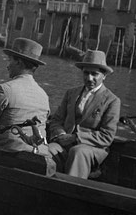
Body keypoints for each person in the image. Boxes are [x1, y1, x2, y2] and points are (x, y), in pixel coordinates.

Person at [47, 50, 121, 179]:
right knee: (47, 150)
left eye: (94, 74)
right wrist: (61, 134)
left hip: (92, 148)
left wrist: (76, 138)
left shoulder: (112, 101)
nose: (89, 78)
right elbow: (56, 120)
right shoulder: (71, 93)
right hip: (65, 144)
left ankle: (72, 190)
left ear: (104, 76)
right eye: (86, 73)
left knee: (78, 152)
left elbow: (107, 136)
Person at [0, 38, 50, 152]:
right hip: (40, 155)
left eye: (9, 60)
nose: (7, 66)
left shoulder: (4, 90)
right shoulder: (44, 96)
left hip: (7, 155)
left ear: (18, 62)